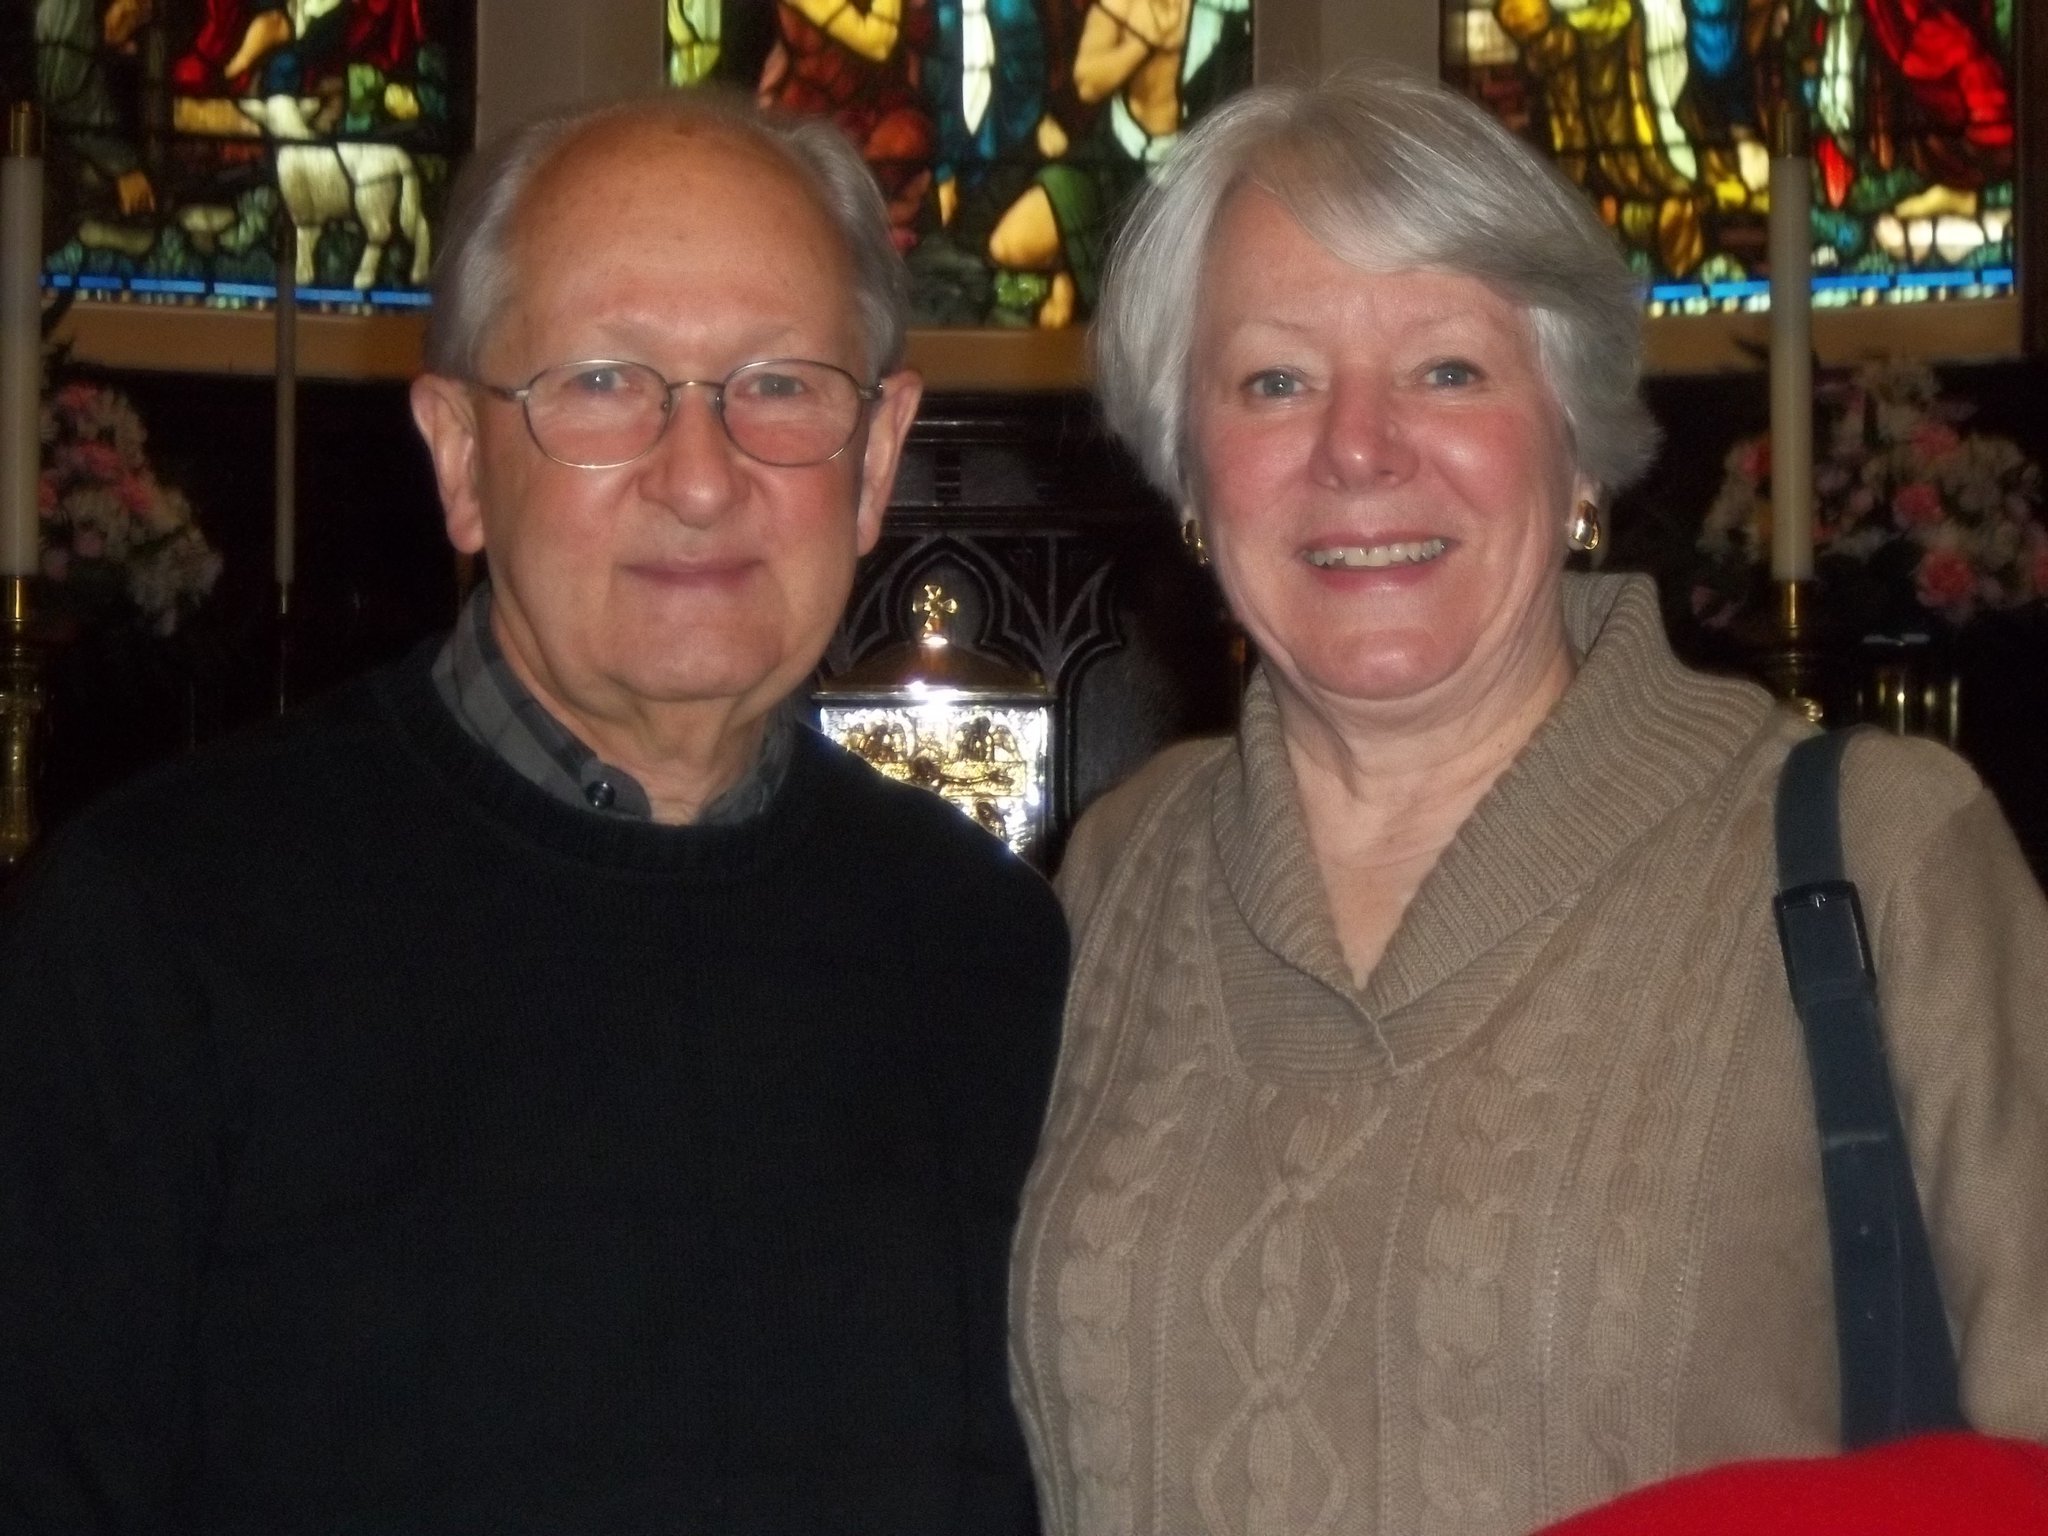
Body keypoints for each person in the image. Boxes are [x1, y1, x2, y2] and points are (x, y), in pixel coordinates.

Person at [1, 90, 1067, 1534]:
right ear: (458, 458)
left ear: (877, 460)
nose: (700, 479)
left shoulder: (990, 950)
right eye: (603, 382)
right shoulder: (159, 933)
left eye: (779, 385)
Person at [1008, 62, 2048, 1535]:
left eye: (1447, 369)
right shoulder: (1119, 870)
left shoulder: (1880, 859)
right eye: (1274, 381)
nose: (1357, 448)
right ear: (1189, 470)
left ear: (1576, 448)